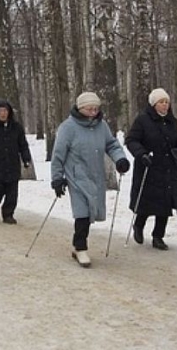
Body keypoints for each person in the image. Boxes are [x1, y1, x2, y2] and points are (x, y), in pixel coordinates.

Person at [51, 92, 130, 268]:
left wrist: (120, 159)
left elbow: (111, 144)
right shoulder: (68, 128)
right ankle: (80, 247)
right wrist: (57, 178)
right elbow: (58, 155)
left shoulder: (102, 126)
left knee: (91, 211)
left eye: (96, 108)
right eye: (89, 108)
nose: (93, 111)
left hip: (96, 175)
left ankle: (76, 244)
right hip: (76, 176)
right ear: (80, 108)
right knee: (83, 213)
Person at [125, 88, 177, 250]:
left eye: (166, 102)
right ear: (154, 104)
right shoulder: (143, 120)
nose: (165, 105)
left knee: (165, 204)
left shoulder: (172, 121)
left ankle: (158, 236)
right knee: (147, 201)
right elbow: (131, 140)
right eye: (161, 102)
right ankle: (139, 225)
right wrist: (141, 154)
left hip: (168, 168)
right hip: (148, 166)